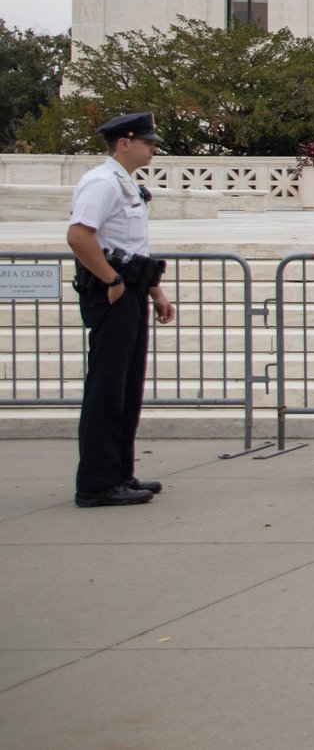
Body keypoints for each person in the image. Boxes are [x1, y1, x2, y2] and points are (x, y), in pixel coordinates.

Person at [65, 111, 175, 508]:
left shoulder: (125, 183)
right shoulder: (101, 182)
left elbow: (133, 250)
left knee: (127, 387)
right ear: (124, 143)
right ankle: (96, 483)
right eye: (147, 142)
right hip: (111, 293)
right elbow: (80, 236)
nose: (153, 148)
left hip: (131, 289)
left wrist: (154, 291)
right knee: (107, 388)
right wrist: (111, 281)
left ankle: (119, 472)